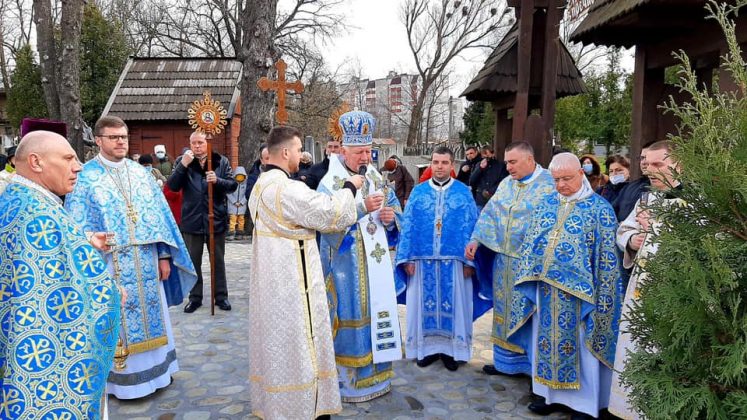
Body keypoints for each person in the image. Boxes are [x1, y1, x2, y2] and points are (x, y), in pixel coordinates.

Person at [65, 116, 197, 400]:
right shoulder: (85, 176)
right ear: (98, 140)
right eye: (113, 137)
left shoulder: (140, 174)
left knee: (154, 314)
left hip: (147, 260)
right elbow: (76, 225)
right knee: (119, 318)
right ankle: (123, 381)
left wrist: (164, 256)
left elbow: (159, 219)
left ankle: (159, 372)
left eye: (123, 136)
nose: (120, 141)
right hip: (110, 263)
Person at [0, 131, 121, 419]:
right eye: (68, 158)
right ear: (36, 162)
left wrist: (84, 239)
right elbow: (52, 288)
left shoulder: (19, 199)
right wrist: (112, 290)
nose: (78, 166)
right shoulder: (35, 212)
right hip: (43, 359)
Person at [247, 125, 363, 420]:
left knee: (278, 347)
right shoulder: (288, 189)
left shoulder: (260, 185)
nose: (301, 155)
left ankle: (276, 406)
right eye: (298, 150)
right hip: (295, 287)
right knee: (301, 345)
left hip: (272, 284)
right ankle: (304, 408)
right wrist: (350, 187)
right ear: (285, 152)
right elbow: (331, 214)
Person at [507, 152, 624, 419]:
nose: (560, 185)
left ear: (581, 174)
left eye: (566, 179)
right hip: (544, 292)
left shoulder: (600, 210)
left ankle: (583, 404)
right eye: (556, 179)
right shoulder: (546, 204)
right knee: (543, 343)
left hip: (582, 298)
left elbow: (607, 263)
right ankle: (548, 395)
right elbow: (530, 245)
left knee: (581, 348)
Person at [318, 110, 404, 402]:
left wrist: (392, 219)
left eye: (368, 150)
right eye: (359, 152)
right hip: (345, 268)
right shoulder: (330, 183)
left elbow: (392, 210)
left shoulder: (376, 177)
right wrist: (360, 208)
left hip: (375, 266)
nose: (365, 157)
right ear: (343, 150)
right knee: (349, 315)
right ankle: (347, 384)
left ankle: (377, 377)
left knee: (376, 313)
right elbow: (326, 225)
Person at [465, 141, 555, 377]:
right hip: (504, 263)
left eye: (513, 162)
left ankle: (532, 367)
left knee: (530, 314)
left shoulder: (550, 184)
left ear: (529, 159)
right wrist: (475, 240)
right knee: (504, 312)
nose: (509, 167)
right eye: (506, 162)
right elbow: (489, 213)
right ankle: (505, 362)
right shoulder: (506, 183)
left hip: (531, 266)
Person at [396, 146, 489, 371]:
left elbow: (472, 227)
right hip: (421, 260)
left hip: (455, 262)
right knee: (421, 306)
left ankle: (452, 352)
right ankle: (425, 350)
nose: (439, 167)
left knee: (456, 305)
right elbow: (408, 226)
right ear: (431, 164)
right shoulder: (418, 192)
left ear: (452, 165)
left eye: (444, 163)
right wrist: (406, 258)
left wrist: (470, 262)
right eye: (435, 162)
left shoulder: (463, 193)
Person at [610, 141, 681, 420]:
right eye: (645, 163)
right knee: (637, 350)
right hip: (640, 290)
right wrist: (631, 239)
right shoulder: (647, 197)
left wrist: (658, 226)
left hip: (674, 298)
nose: (649, 169)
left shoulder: (698, 202)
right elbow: (624, 228)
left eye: (658, 164)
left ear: (679, 165)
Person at [167, 131, 237, 313]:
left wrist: (218, 180)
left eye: (200, 142)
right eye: (193, 143)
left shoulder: (220, 161)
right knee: (193, 261)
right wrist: (183, 165)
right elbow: (172, 186)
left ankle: (221, 296)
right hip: (192, 219)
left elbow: (232, 185)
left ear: (207, 143)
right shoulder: (183, 162)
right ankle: (195, 297)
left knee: (218, 260)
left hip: (216, 218)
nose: (196, 146)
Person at [612, 143, 654, 222]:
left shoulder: (665, 188)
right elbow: (612, 210)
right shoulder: (630, 186)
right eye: (642, 158)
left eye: (647, 157)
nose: (643, 162)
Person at [469, 146, 509, 211]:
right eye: (483, 155)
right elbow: (472, 180)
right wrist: (480, 168)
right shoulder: (479, 164)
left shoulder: (500, 166)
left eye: (487, 154)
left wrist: (491, 191)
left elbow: (503, 181)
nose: (485, 157)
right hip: (480, 199)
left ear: (492, 153)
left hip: (495, 198)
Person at [227, 166, 248, 241]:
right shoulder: (232, 184)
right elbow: (228, 193)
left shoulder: (246, 185)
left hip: (241, 207)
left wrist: (242, 202)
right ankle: (231, 233)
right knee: (232, 220)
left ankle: (240, 233)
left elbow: (246, 195)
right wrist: (234, 202)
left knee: (241, 220)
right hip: (233, 206)